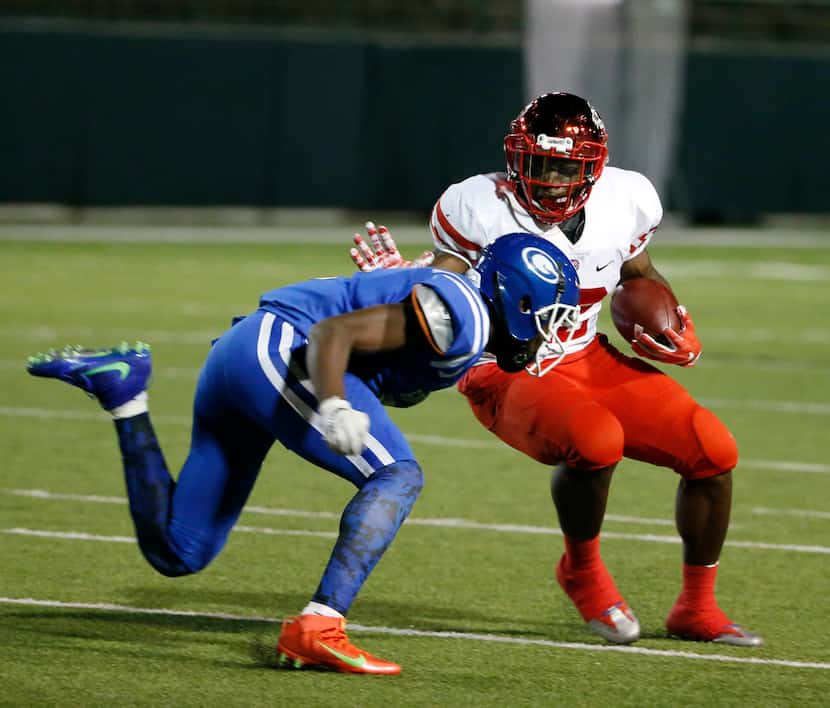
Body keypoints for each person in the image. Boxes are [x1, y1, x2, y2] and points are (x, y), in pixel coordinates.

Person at [26, 232, 581, 675]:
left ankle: (124, 394)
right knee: (397, 475)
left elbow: (390, 371)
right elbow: (331, 335)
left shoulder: (459, 321)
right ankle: (319, 627)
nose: (553, 334)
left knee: (179, 550)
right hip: (283, 348)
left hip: (247, 354)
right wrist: (335, 404)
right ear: (520, 300)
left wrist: (388, 301)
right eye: (552, 316)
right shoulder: (466, 313)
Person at [349, 92, 762, 647]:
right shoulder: (478, 204)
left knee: (713, 450)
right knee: (596, 440)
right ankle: (583, 571)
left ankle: (696, 606)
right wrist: (399, 284)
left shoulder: (628, 198)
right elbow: (441, 289)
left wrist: (666, 320)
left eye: (566, 164)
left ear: (595, 165)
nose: (551, 177)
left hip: (584, 352)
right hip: (501, 366)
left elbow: (637, 272)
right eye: (539, 162)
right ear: (516, 158)